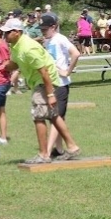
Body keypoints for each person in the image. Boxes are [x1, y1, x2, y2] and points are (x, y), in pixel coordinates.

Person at [0, 17, 81, 163]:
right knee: (53, 115)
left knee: (39, 116)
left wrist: (50, 94)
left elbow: (44, 71)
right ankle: (72, 146)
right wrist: (5, 66)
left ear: (17, 32)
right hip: (40, 81)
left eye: (7, 32)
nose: (4, 35)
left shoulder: (28, 47)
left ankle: (44, 155)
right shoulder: (16, 45)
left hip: (44, 81)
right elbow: (16, 63)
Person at [40, 13, 80, 156]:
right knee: (56, 117)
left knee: (56, 117)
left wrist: (68, 71)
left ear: (54, 27)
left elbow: (76, 53)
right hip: (51, 83)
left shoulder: (60, 39)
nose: (43, 32)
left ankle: (47, 152)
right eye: (41, 30)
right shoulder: (48, 41)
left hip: (61, 85)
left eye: (45, 30)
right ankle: (59, 149)